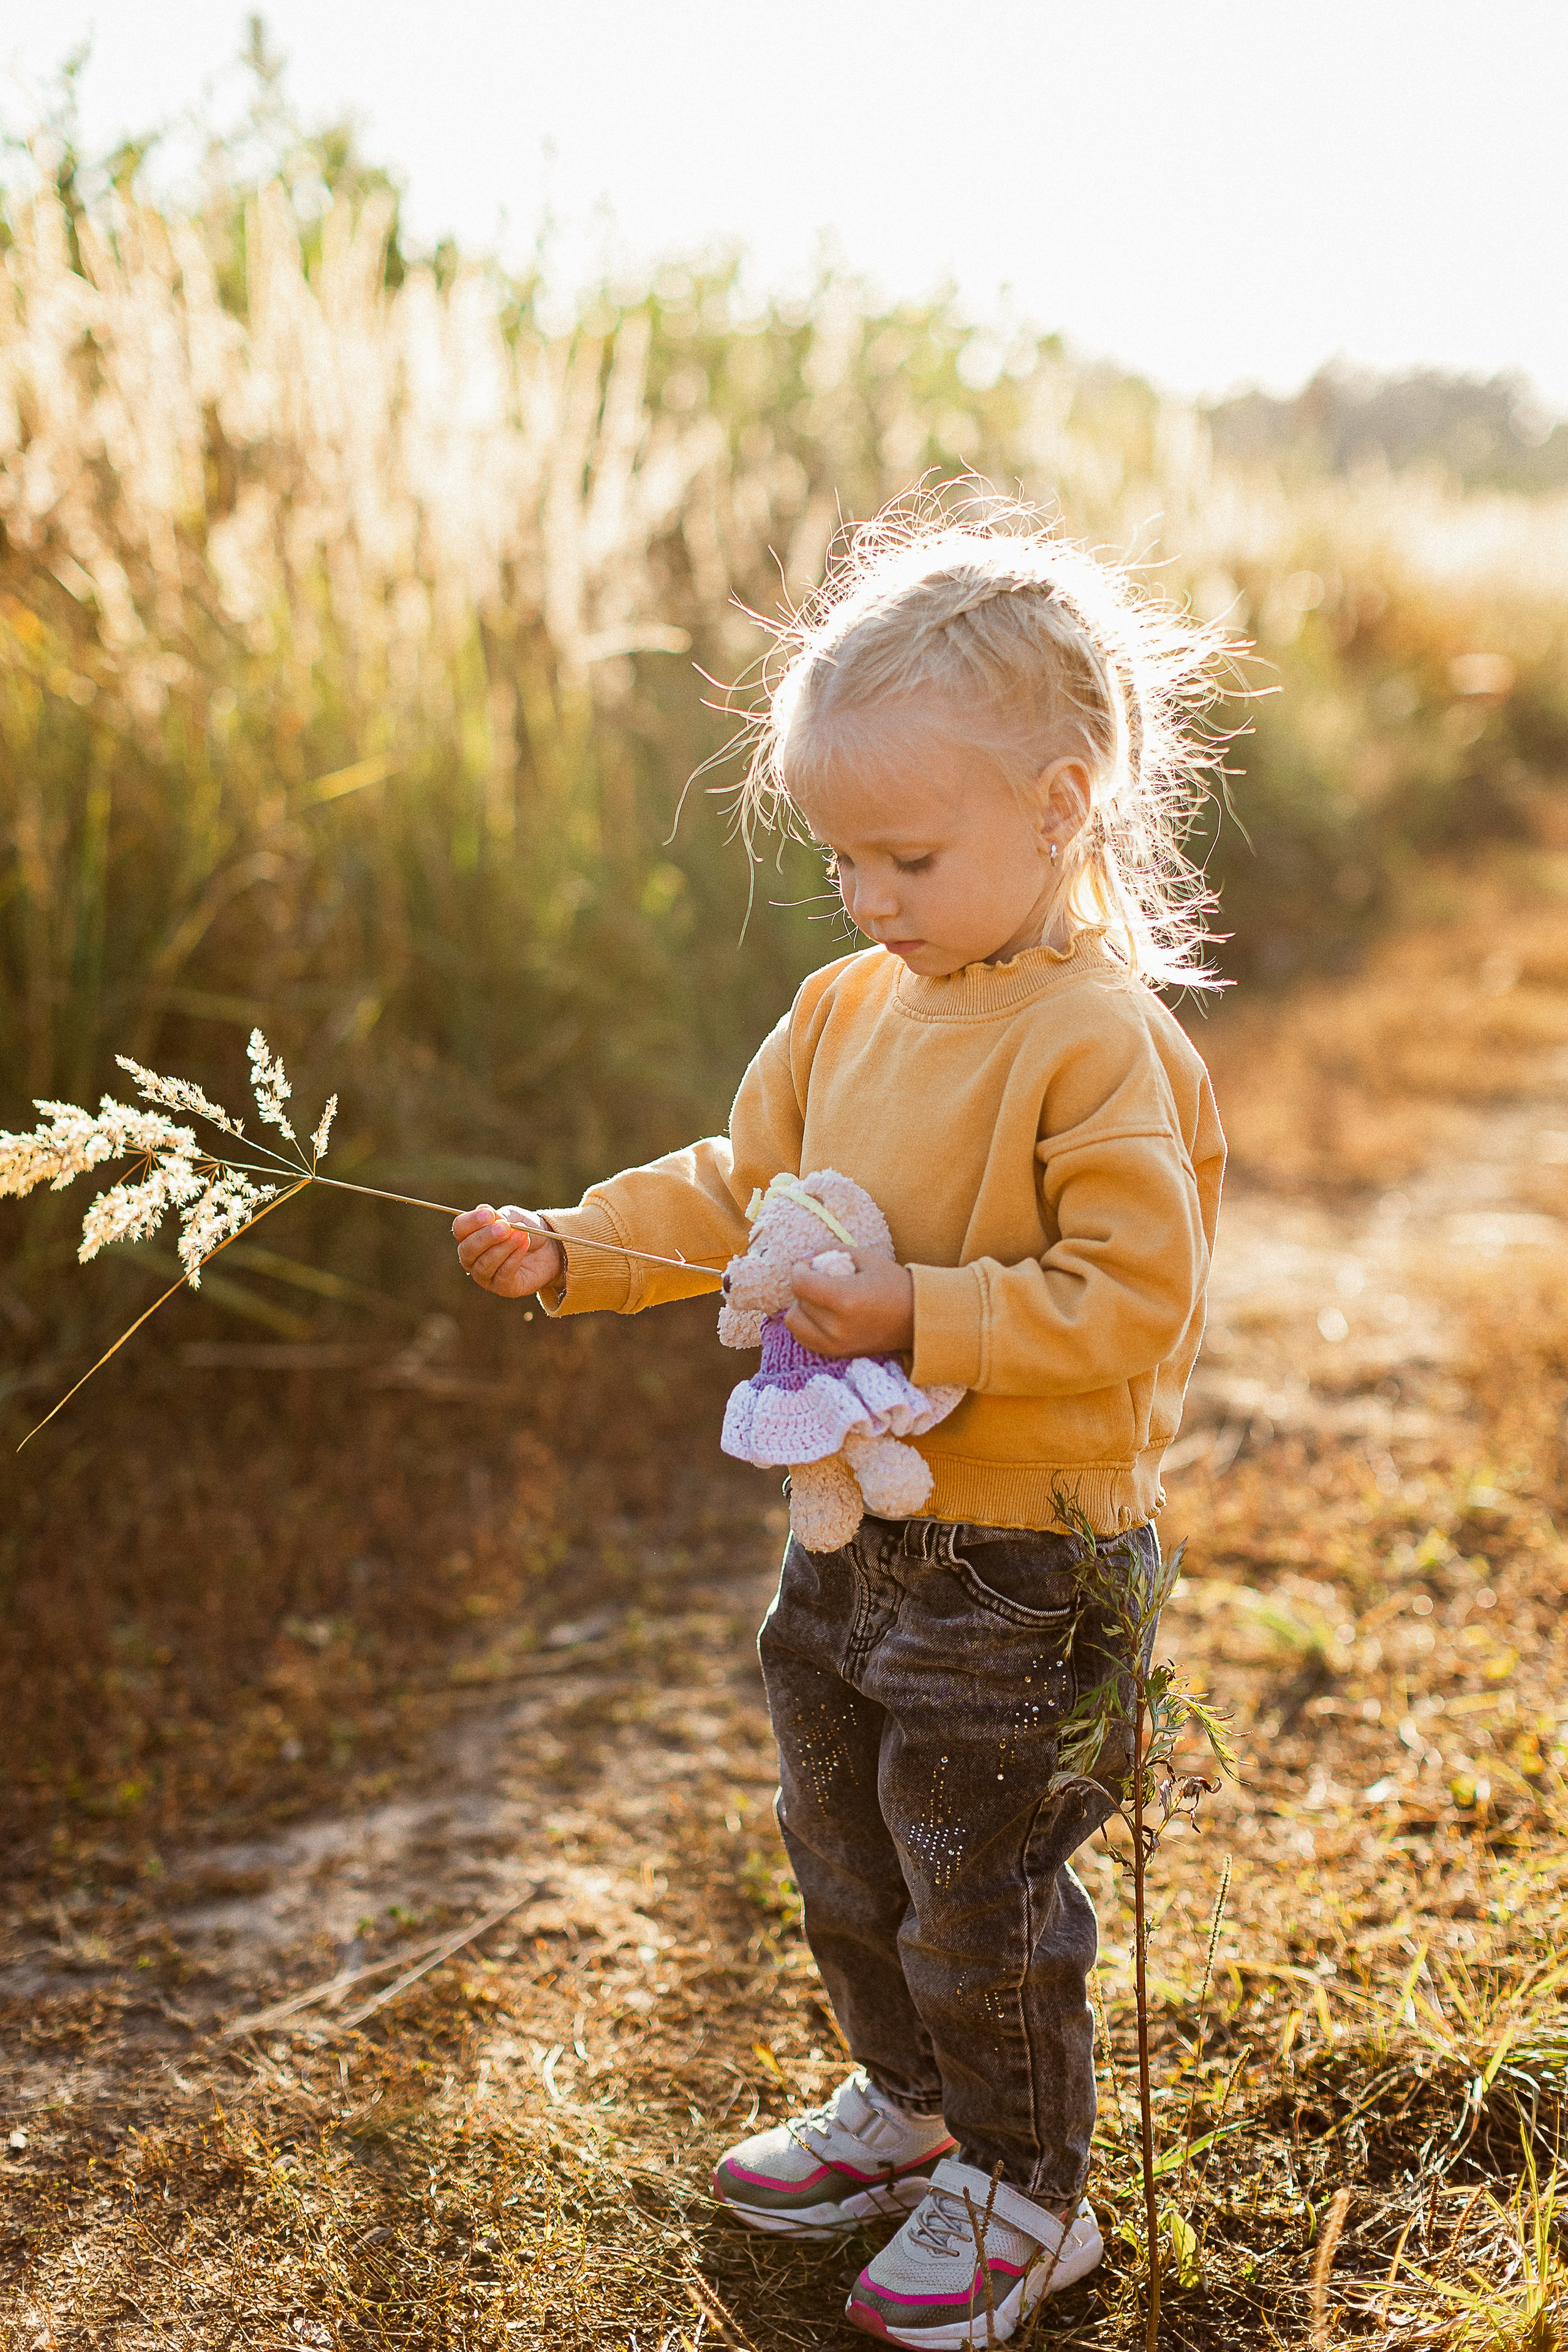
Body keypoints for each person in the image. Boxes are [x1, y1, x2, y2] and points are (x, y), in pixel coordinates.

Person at [453, 497, 1227, 2346]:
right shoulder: (844, 1009)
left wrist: (920, 1312)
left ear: (1061, 805)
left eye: (909, 857)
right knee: (848, 1844)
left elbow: (1136, 1296)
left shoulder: (1097, 1042)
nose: (871, 898)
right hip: (850, 1534)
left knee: (979, 1881)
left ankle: (1027, 2187)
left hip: (1028, 1556)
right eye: (843, 861)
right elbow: (742, 1192)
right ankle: (908, 2103)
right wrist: (576, 1248)